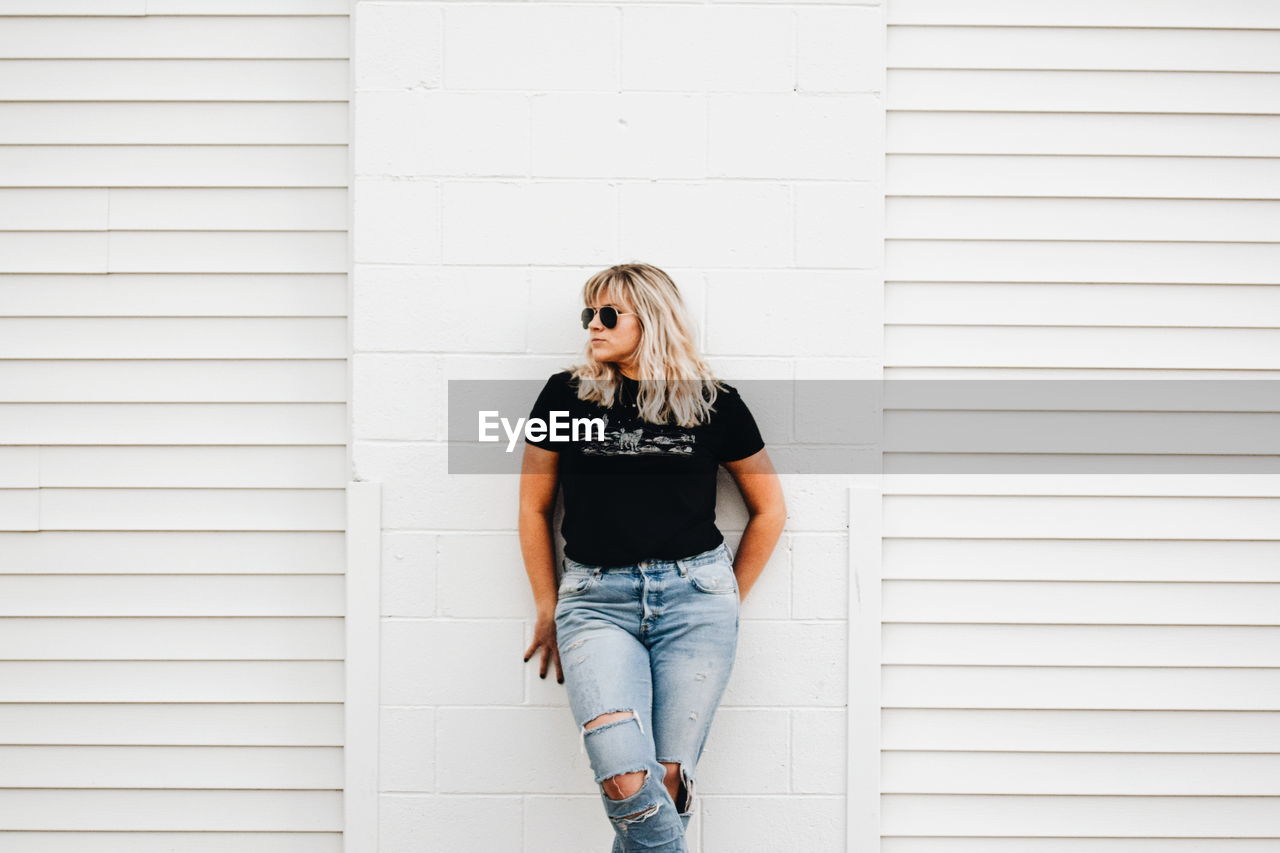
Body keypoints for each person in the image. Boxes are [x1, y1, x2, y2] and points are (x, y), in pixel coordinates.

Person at [518, 263, 786, 851]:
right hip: (595, 602)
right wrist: (547, 602)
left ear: (652, 319)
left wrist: (725, 596)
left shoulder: (714, 404)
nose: (593, 325)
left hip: (698, 602)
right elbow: (535, 509)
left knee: (668, 780)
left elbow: (770, 511)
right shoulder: (564, 395)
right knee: (623, 775)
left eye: (608, 314)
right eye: (587, 313)